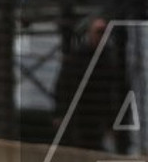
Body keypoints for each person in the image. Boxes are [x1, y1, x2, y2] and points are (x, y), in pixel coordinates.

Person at [54, 17, 127, 152]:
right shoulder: (76, 58)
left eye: (104, 32)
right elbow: (63, 85)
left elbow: (114, 93)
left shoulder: (110, 61)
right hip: (79, 116)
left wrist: (113, 122)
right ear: (90, 33)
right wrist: (60, 113)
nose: (102, 36)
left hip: (98, 118)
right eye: (99, 31)